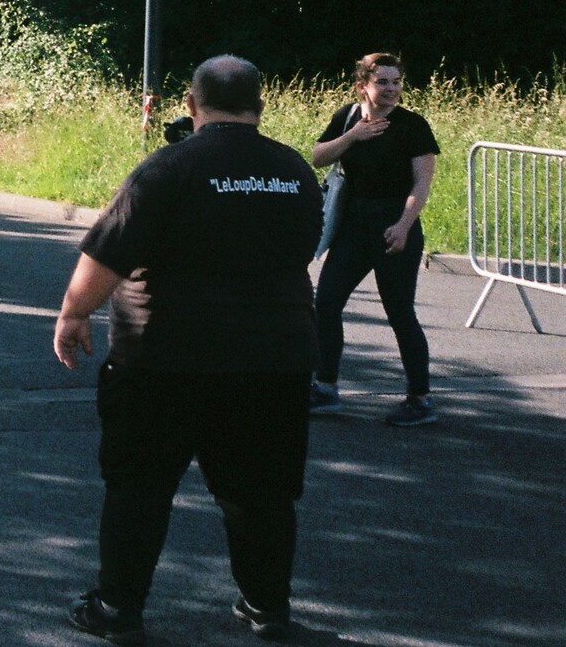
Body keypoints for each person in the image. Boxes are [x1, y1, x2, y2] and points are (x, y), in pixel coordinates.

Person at [55, 56, 322, 645]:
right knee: (263, 494)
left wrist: (75, 313)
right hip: (273, 360)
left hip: (163, 360)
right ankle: (266, 609)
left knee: (140, 488)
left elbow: (108, 252)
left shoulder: (168, 167)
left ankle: (118, 609)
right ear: (260, 105)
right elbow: (303, 246)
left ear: (191, 104)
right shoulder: (295, 170)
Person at [310, 52, 440, 428]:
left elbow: (422, 183)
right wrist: (353, 135)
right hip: (353, 225)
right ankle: (326, 387)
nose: (392, 89)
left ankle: (420, 398)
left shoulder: (413, 126)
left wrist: (403, 225)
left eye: (396, 81)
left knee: (400, 312)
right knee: (327, 302)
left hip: (394, 225)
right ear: (362, 85)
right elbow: (318, 157)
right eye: (382, 82)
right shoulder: (347, 117)